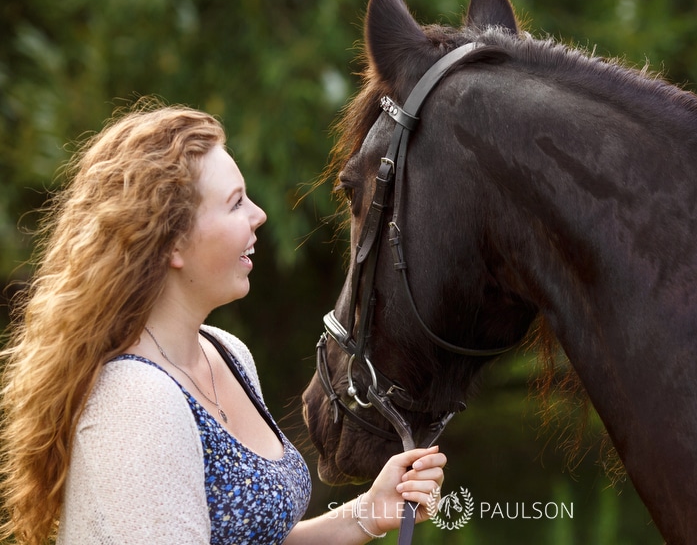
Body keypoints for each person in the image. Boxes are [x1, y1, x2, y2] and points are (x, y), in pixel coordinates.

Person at [0, 101, 445, 544]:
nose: (259, 215)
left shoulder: (226, 353)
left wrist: (366, 513)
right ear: (172, 242)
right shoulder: (136, 403)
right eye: (235, 204)